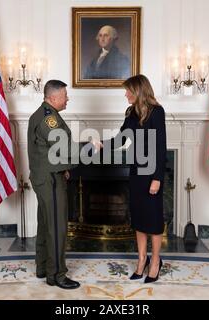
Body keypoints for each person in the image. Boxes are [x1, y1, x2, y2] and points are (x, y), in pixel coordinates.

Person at [27, 80, 101, 290]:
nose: (68, 98)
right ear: (52, 97)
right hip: (50, 179)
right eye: (65, 95)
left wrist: (64, 167)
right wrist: (91, 145)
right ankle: (57, 275)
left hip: (45, 175)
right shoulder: (48, 119)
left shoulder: (42, 114)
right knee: (57, 227)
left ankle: (42, 267)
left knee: (45, 224)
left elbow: (48, 150)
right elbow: (63, 146)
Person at [103, 74, 167, 283]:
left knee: (154, 221)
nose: (125, 94)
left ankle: (155, 261)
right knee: (139, 219)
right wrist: (103, 144)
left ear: (138, 91)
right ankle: (142, 260)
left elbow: (160, 146)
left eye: (128, 90)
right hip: (136, 173)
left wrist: (157, 178)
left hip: (152, 174)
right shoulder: (131, 112)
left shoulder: (157, 112)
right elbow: (122, 138)